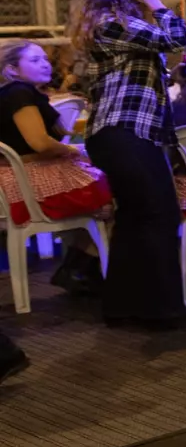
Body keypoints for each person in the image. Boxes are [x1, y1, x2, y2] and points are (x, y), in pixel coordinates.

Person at [73, 0, 186, 330]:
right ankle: (162, 311)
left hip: (123, 133)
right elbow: (177, 38)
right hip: (124, 132)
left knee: (134, 218)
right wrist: (156, 4)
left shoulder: (114, 24)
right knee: (160, 215)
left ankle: (123, 306)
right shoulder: (112, 24)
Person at [0, 38, 107, 295]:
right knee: (120, 192)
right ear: (12, 69)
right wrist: (75, 151)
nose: (45, 64)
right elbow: (40, 143)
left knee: (112, 190)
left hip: (18, 178)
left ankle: (79, 267)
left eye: (45, 59)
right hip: (28, 181)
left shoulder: (20, 92)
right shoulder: (18, 93)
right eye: (35, 60)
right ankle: (82, 267)